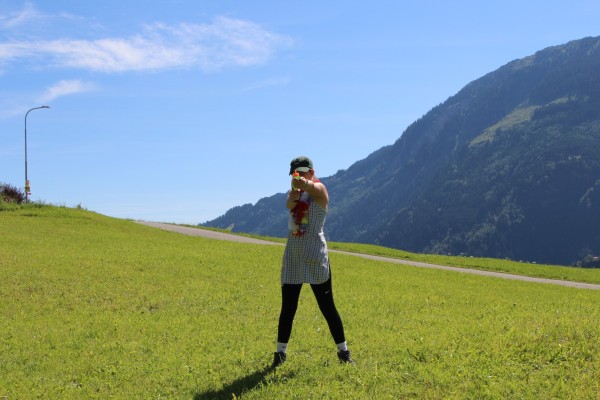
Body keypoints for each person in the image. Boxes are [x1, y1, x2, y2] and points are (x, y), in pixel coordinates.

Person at [271, 156, 354, 368]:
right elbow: (288, 204)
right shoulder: (296, 193)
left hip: (315, 256)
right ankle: (279, 354)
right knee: (288, 308)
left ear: (311, 171)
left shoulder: (320, 189)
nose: (297, 176)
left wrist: (303, 184)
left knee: (327, 307)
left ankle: (343, 352)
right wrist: (294, 195)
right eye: (294, 174)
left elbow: (316, 189)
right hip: (294, 256)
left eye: (301, 172)